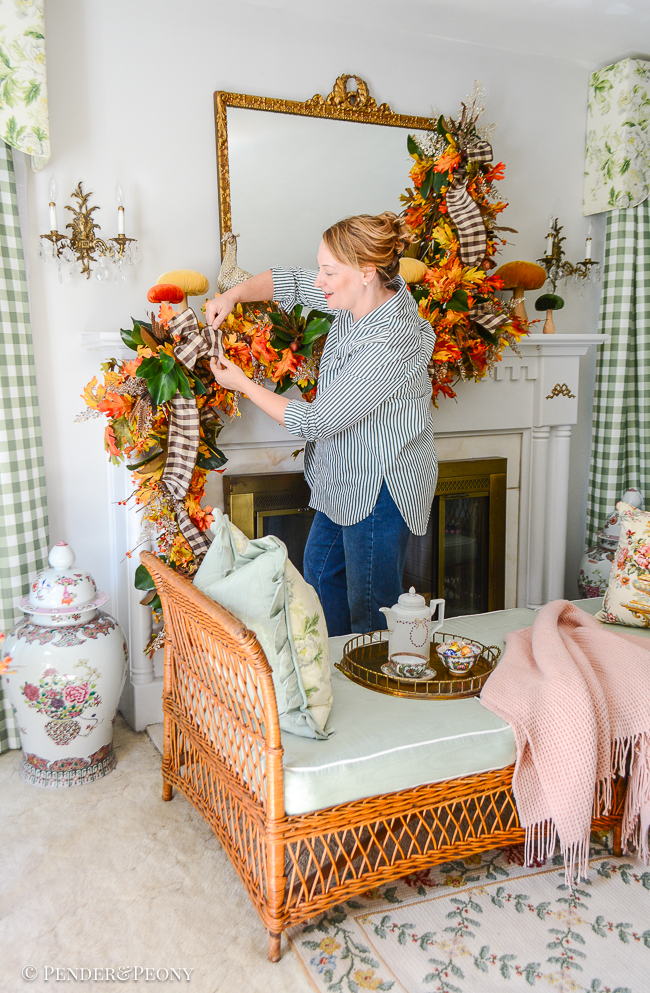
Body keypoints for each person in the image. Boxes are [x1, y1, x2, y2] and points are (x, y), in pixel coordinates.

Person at [206, 212, 437, 637]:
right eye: (321, 268)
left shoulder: (390, 339)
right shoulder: (363, 298)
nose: (319, 281)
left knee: (372, 610)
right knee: (319, 571)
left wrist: (241, 384)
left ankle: (369, 689)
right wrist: (234, 295)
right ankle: (333, 671)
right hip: (342, 476)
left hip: (380, 485)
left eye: (329, 272)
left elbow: (318, 420)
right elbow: (291, 280)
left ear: (367, 272)